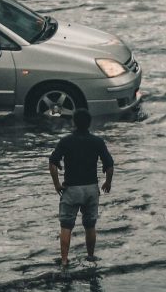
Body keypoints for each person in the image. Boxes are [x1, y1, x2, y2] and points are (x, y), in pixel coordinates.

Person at [48, 108, 114, 268]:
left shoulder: (66, 141)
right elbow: (109, 165)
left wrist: (57, 184)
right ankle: (91, 257)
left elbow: (52, 163)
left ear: (74, 122)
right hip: (91, 188)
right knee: (90, 225)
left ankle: (64, 261)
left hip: (72, 189)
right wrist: (107, 182)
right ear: (89, 123)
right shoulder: (97, 142)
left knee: (66, 226)